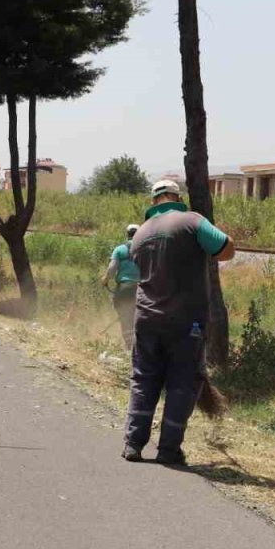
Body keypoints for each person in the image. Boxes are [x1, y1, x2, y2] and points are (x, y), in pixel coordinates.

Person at [122, 180, 235, 466]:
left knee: (143, 379)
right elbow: (226, 248)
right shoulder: (192, 221)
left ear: (154, 200)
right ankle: (168, 450)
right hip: (186, 322)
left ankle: (133, 444)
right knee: (182, 383)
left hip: (146, 319)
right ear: (176, 197)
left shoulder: (140, 234)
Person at [101, 223, 141, 349]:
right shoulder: (145, 250)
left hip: (124, 289)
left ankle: (129, 346)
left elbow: (112, 269)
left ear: (127, 234)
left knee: (125, 318)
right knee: (140, 318)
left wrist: (105, 280)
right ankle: (140, 347)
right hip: (142, 290)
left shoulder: (119, 250)